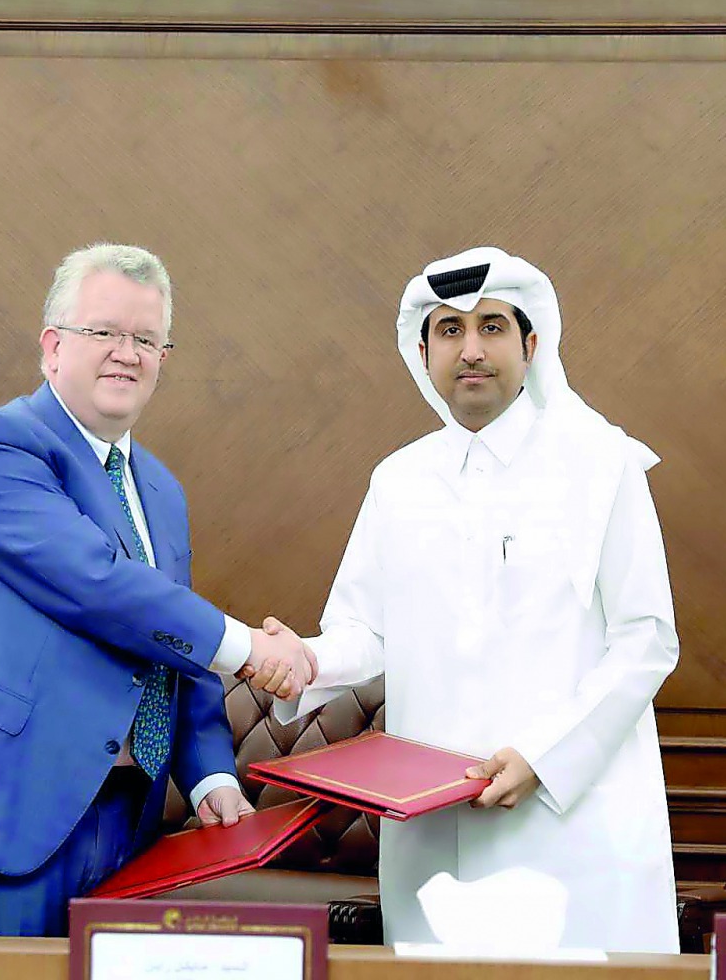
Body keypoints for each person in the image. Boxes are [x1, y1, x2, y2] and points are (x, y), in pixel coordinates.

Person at [250, 247, 680, 952]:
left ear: (531, 344)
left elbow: (646, 639)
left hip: (569, 821)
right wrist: (304, 659)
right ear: (423, 354)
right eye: (449, 330)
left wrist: (543, 758)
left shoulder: (602, 465)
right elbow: (365, 629)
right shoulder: (399, 479)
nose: (471, 349)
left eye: (492, 327)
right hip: (432, 834)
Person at [0, 242, 313, 936]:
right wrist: (249, 650)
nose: (127, 352)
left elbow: (171, 643)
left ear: (163, 360)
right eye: (105, 332)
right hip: (0, 813)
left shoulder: (161, 491)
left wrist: (211, 777)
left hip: (124, 823)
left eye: (146, 338)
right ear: (53, 347)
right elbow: (100, 588)